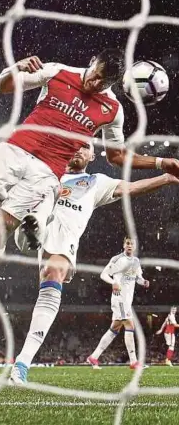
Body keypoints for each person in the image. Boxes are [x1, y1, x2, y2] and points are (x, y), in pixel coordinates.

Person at [0, 51, 178, 328]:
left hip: (48, 172)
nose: (95, 84)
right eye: (95, 75)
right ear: (92, 62)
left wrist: (162, 162)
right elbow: (1, 87)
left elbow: (117, 156)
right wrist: (15, 68)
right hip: (15, 150)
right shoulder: (58, 71)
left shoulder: (112, 109)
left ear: (112, 84)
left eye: (102, 83)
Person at [9, 144, 179, 384]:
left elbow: (130, 187)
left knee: (52, 273)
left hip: (63, 238)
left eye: (86, 146)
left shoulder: (96, 182)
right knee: (27, 219)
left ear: (92, 155)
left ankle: (22, 363)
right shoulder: (49, 172)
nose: (79, 149)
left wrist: (166, 177)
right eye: (75, 145)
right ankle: (29, 232)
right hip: (41, 218)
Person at [87, 237, 149, 370]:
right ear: (124, 245)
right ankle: (133, 362)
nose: (130, 246)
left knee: (114, 329)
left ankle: (94, 357)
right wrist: (113, 283)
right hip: (119, 298)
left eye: (132, 244)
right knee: (129, 324)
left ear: (135, 246)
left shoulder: (136, 261)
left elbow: (137, 278)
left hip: (127, 301)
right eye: (127, 243)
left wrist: (143, 282)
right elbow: (103, 275)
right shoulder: (117, 259)